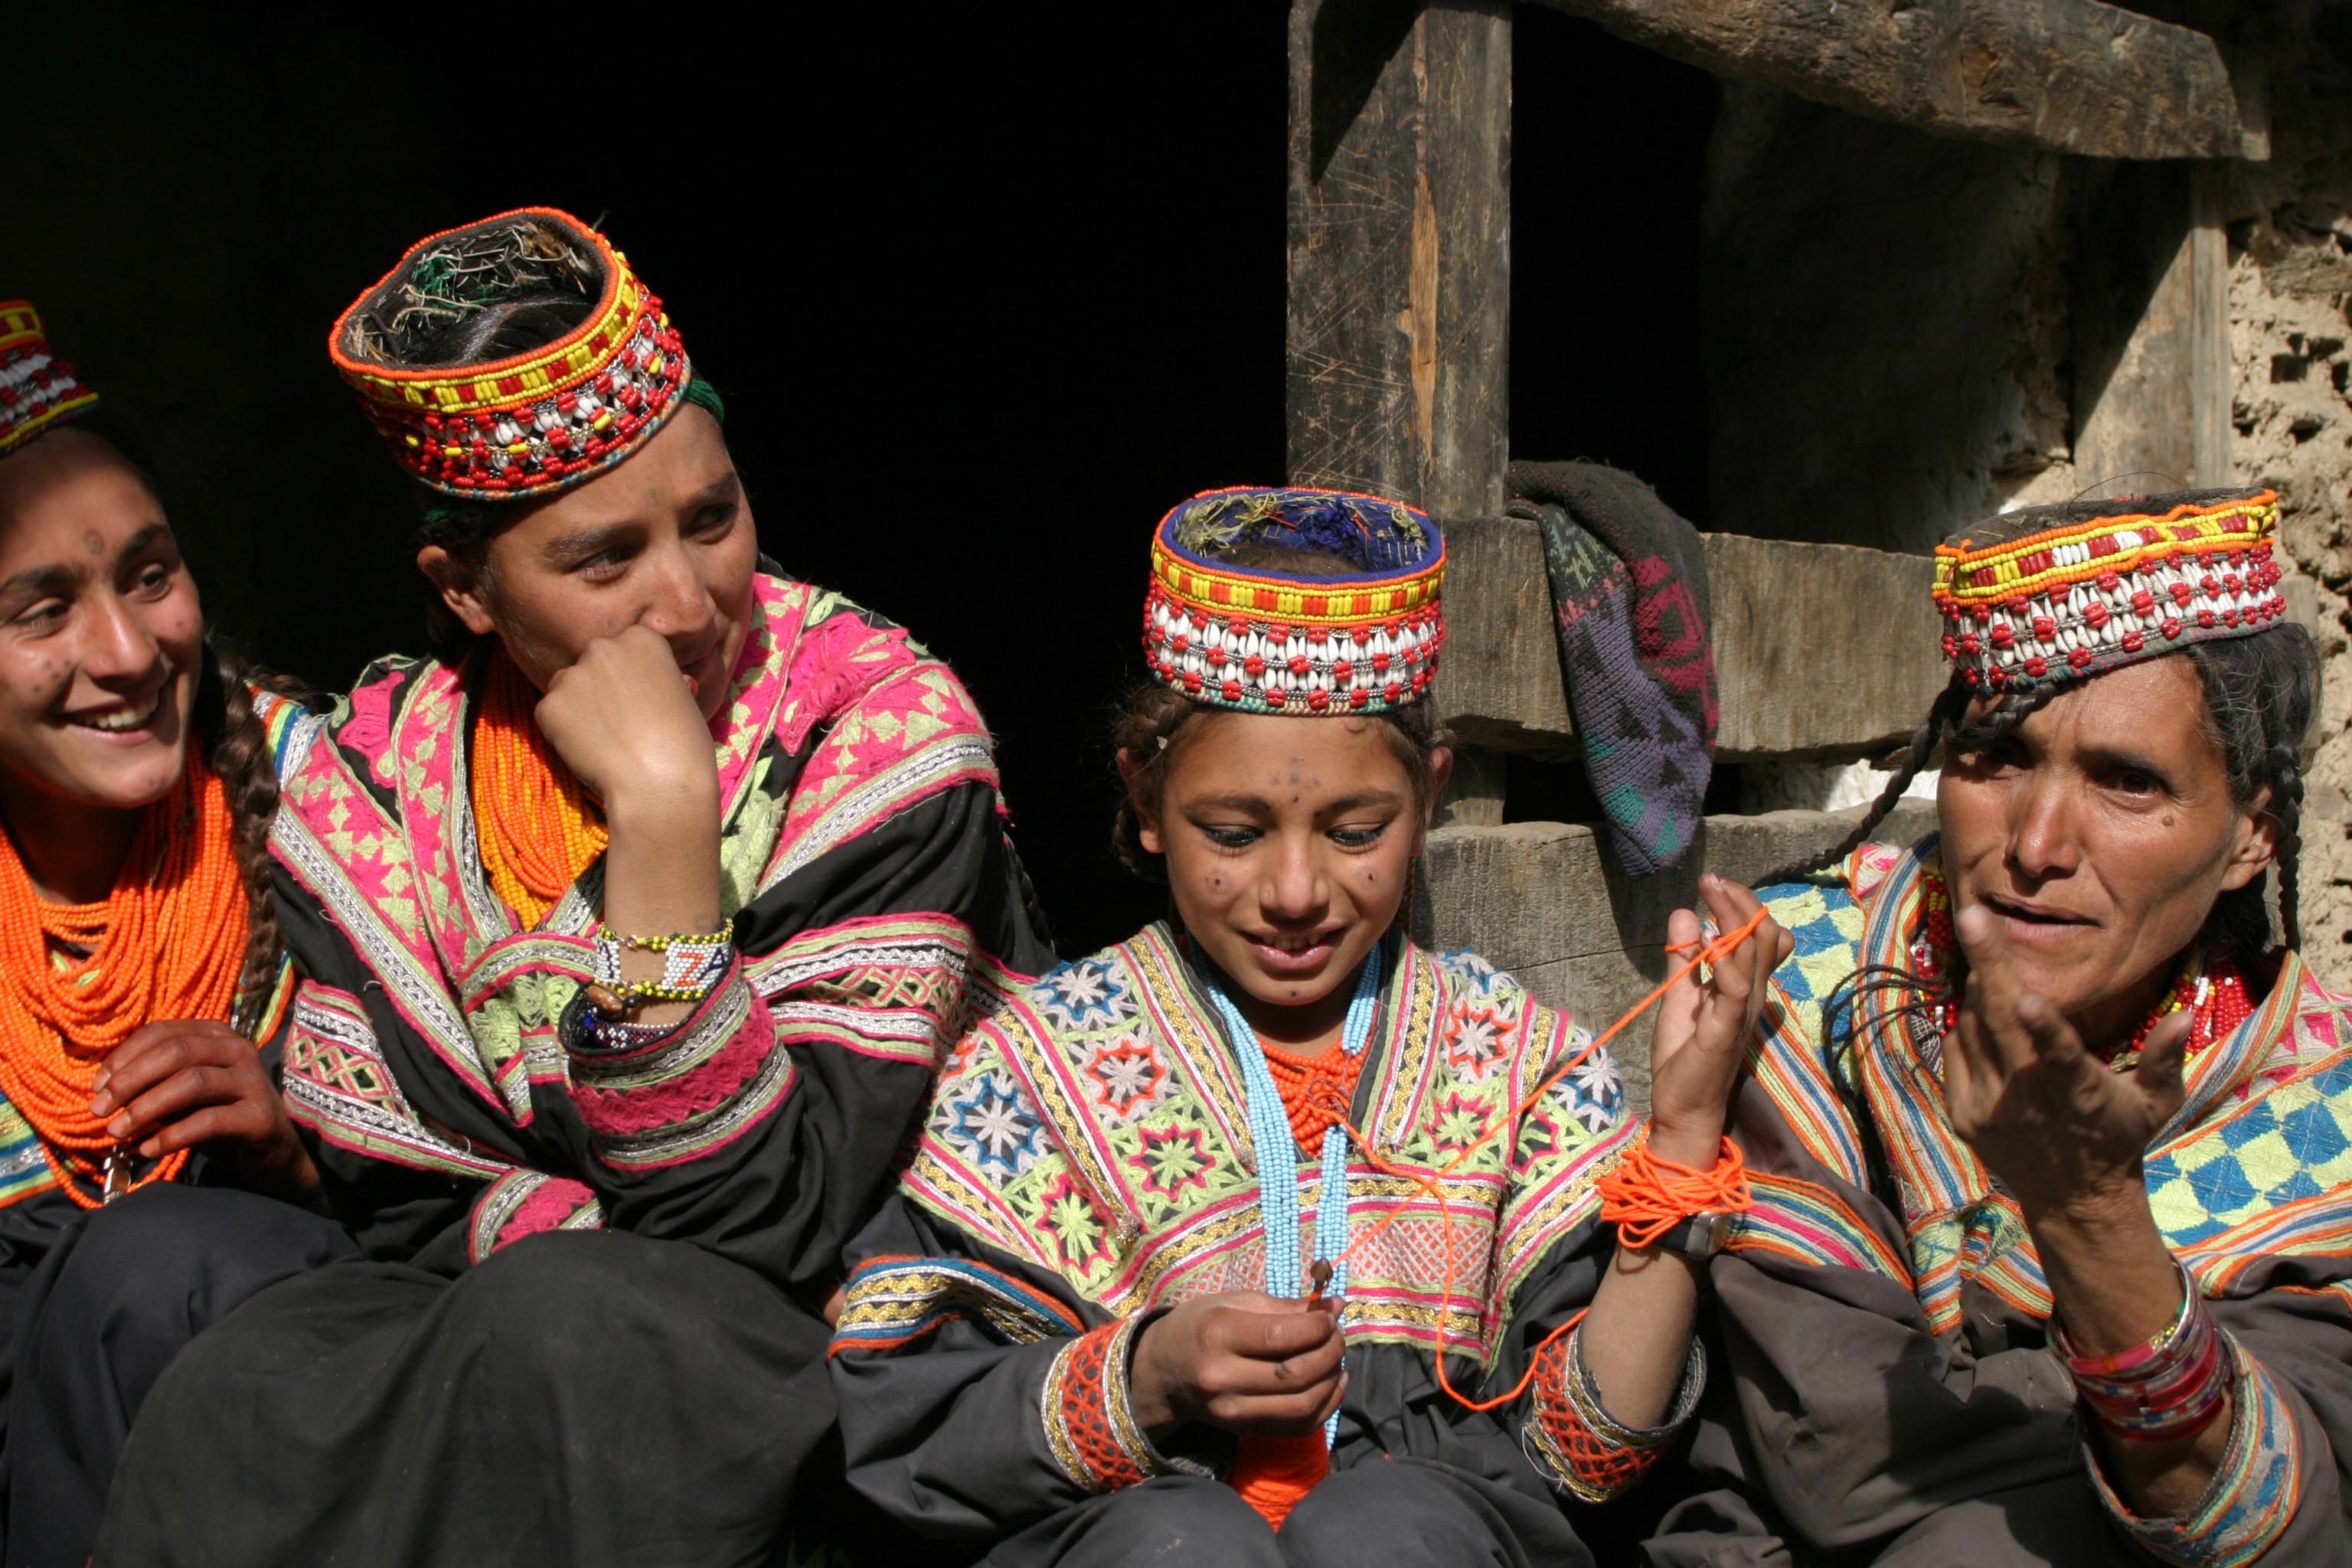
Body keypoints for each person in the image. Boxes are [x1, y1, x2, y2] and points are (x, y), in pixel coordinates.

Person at [99, 210, 1053, 1566]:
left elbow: (766, 1220)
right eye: (605, 560)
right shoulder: (379, 789)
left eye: (714, 518)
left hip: (853, 1329)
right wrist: (559, 1229)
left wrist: (664, 825)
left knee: (568, 1326)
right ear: (467, 592)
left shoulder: (873, 733)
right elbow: (410, 1194)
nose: (691, 599)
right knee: (241, 1382)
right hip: (520, 1308)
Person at [829, 485, 1795, 1566]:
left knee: (1381, 1531)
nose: (1296, 891)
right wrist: (1146, 1377)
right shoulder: (1032, 1072)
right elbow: (914, 1424)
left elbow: (1589, 1452)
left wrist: (1683, 1134)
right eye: (1234, 833)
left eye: (1355, 830)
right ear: (1145, 802)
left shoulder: (1514, 1063)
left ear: (1427, 799)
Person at [1642, 487, 2352, 1564]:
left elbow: (2270, 1526)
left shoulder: (2313, 1128)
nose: (2037, 844)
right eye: (2001, 758)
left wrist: (2091, 1216)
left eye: (2126, 782)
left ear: (2253, 837)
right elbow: (1805, 1451)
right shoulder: (1788, 991)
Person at [0, 301, 357, 1566]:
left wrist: (300, 1162)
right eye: (41, 612)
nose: (128, 651)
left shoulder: (336, 811)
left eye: (148, 575)